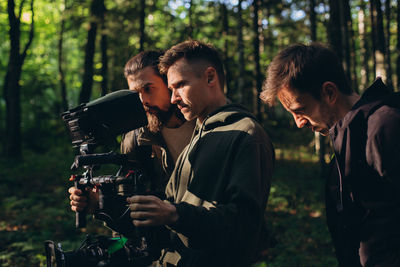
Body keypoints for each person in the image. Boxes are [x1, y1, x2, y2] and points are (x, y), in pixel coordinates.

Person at [127, 40, 275, 267]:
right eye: (171, 89)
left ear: (210, 77)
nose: (174, 98)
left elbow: (244, 226)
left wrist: (174, 214)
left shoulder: (246, 134)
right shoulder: (197, 138)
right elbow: (168, 222)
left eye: (180, 85)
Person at [260, 43, 400, 267]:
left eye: (300, 110)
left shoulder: (385, 126)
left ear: (329, 92)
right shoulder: (348, 141)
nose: (298, 123)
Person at [68, 50, 195, 223]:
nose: (143, 100)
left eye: (148, 89)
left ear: (168, 83)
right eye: (135, 94)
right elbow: (131, 218)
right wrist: (98, 205)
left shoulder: (205, 125)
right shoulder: (135, 140)